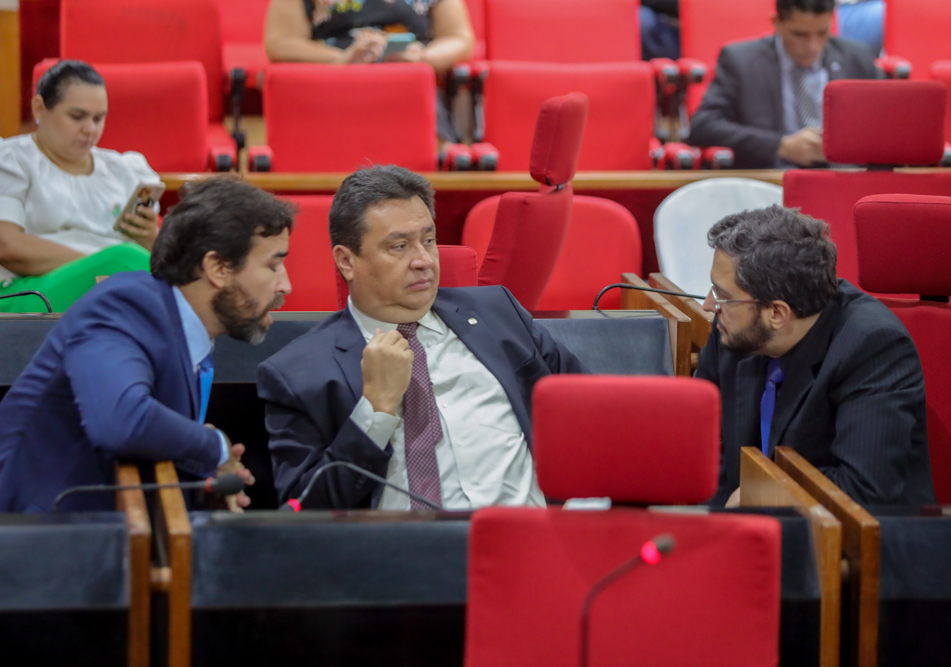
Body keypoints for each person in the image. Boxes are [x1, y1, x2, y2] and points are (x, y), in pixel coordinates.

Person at [258, 165, 582, 510]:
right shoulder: (298, 373)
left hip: (527, 534)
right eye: (399, 246)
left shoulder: (497, 313)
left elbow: (585, 408)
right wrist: (376, 410)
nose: (424, 260)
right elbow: (303, 510)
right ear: (347, 262)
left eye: (428, 240)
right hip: (405, 544)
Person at [0, 177, 294, 513]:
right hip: (29, 531)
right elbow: (121, 423)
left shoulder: (178, 324)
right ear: (217, 268)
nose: (285, 285)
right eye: (273, 265)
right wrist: (216, 448)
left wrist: (204, 483)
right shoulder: (124, 307)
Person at [694, 205, 937, 507]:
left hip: (853, 532)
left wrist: (760, 493)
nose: (709, 305)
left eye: (722, 295)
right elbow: (705, 449)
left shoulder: (873, 348)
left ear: (776, 313)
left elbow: (864, 488)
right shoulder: (734, 327)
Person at [0, 60, 161, 313]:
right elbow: (7, 246)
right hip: (25, 290)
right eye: (77, 117)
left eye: (99, 118)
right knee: (125, 261)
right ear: (39, 108)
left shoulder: (123, 170)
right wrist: (99, 266)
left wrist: (149, 239)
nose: (90, 129)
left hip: (111, 283)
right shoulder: (11, 160)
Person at [687, 0, 880, 169]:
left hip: (846, 175)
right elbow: (703, 126)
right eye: (800, 35)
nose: (813, 46)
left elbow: (885, 123)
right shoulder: (741, 62)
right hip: (772, 177)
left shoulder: (857, 57)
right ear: (776, 22)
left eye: (822, 33)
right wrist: (780, 146)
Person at [264, 0, 475, 144]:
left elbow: (459, 39)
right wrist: (339, 60)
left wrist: (424, 58)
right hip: (331, 79)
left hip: (409, 78)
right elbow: (281, 42)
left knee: (415, 87)